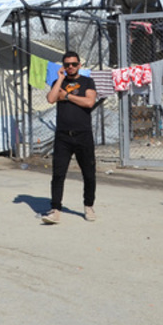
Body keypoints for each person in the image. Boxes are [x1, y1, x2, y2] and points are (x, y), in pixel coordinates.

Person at [43, 51, 98, 224]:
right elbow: (51, 99)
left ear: (79, 65)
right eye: (67, 65)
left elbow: (89, 102)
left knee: (89, 174)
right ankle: (55, 209)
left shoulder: (87, 81)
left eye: (74, 64)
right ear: (63, 66)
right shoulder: (58, 82)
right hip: (63, 136)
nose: (71, 67)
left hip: (83, 135)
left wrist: (66, 96)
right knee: (58, 174)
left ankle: (88, 206)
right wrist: (59, 79)